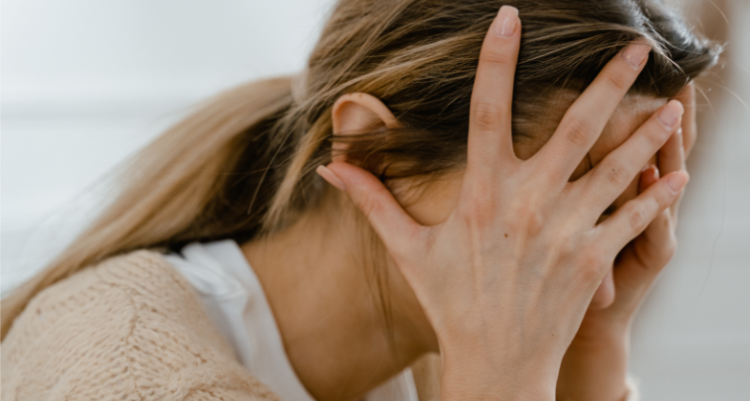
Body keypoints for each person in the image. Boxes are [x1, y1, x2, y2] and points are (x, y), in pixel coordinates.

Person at [1, 0, 719, 400]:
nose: (588, 247)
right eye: (565, 187)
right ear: (374, 151)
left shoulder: (439, 364)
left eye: (629, 187)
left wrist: (591, 350)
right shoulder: (130, 375)